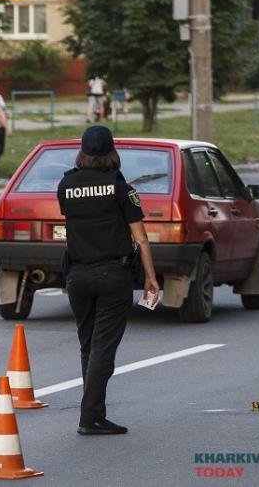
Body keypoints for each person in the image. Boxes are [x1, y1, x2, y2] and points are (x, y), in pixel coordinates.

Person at [57, 125, 159, 435]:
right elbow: (140, 238)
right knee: (103, 349)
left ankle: (95, 414)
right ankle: (90, 417)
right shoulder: (121, 188)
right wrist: (151, 278)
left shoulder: (66, 186)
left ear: (83, 152)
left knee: (88, 347)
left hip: (77, 276)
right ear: (112, 152)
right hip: (112, 275)